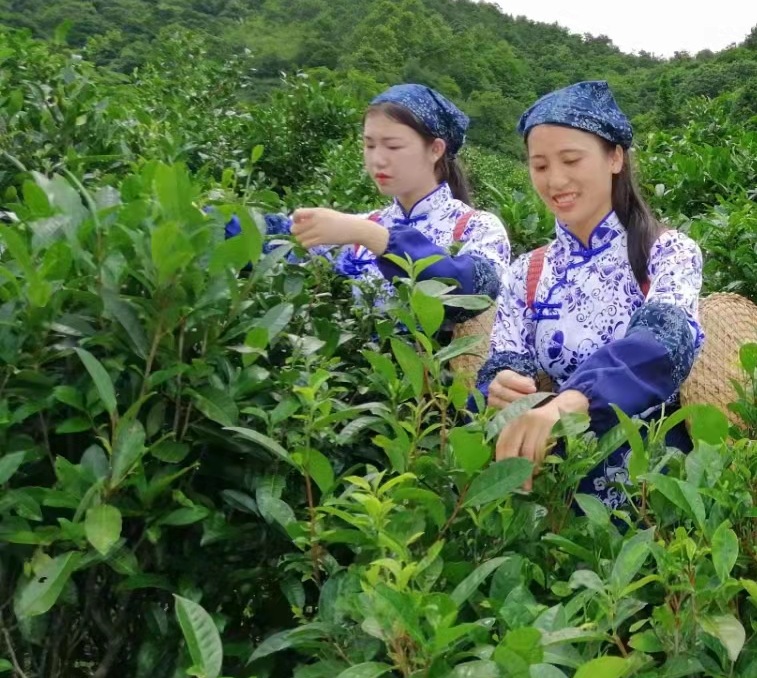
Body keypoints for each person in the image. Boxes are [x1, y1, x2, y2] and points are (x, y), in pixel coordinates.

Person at [475, 81, 704, 508]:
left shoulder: (667, 251)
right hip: (554, 484)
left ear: (615, 157)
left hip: (653, 485)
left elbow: (664, 342)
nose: (555, 180)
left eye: (571, 160)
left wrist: (576, 400)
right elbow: (506, 360)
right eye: (539, 165)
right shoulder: (527, 272)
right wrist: (500, 386)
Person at [228, 83, 510, 309]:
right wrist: (206, 222)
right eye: (369, 145)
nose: (377, 160)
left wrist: (374, 237)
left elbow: (473, 292)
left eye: (393, 146)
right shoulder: (360, 227)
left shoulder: (477, 227)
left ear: (435, 149)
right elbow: (270, 243)